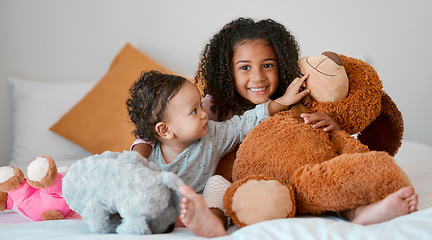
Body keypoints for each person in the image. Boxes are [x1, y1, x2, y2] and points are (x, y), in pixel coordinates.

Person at [130, 18, 341, 237]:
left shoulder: (291, 100)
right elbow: (156, 130)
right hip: (185, 191)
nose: (258, 77)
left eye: (267, 65)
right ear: (228, 71)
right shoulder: (211, 108)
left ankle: (212, 220)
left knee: (218, 185)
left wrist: (333, 127)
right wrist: (136, 161)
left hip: (266, 187)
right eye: (244, 67)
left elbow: (324, 142)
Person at [126, 70, 310, 237]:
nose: (204, 114)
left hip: (203, 203)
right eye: (194, 111)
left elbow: (243, 123)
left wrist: (284, 100)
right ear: (165, 130)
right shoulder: (148, 159)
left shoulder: (213, 135)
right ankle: (160, 220)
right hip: (168, 206)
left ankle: (214, 222)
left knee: (218, 183)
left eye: (201, 105)